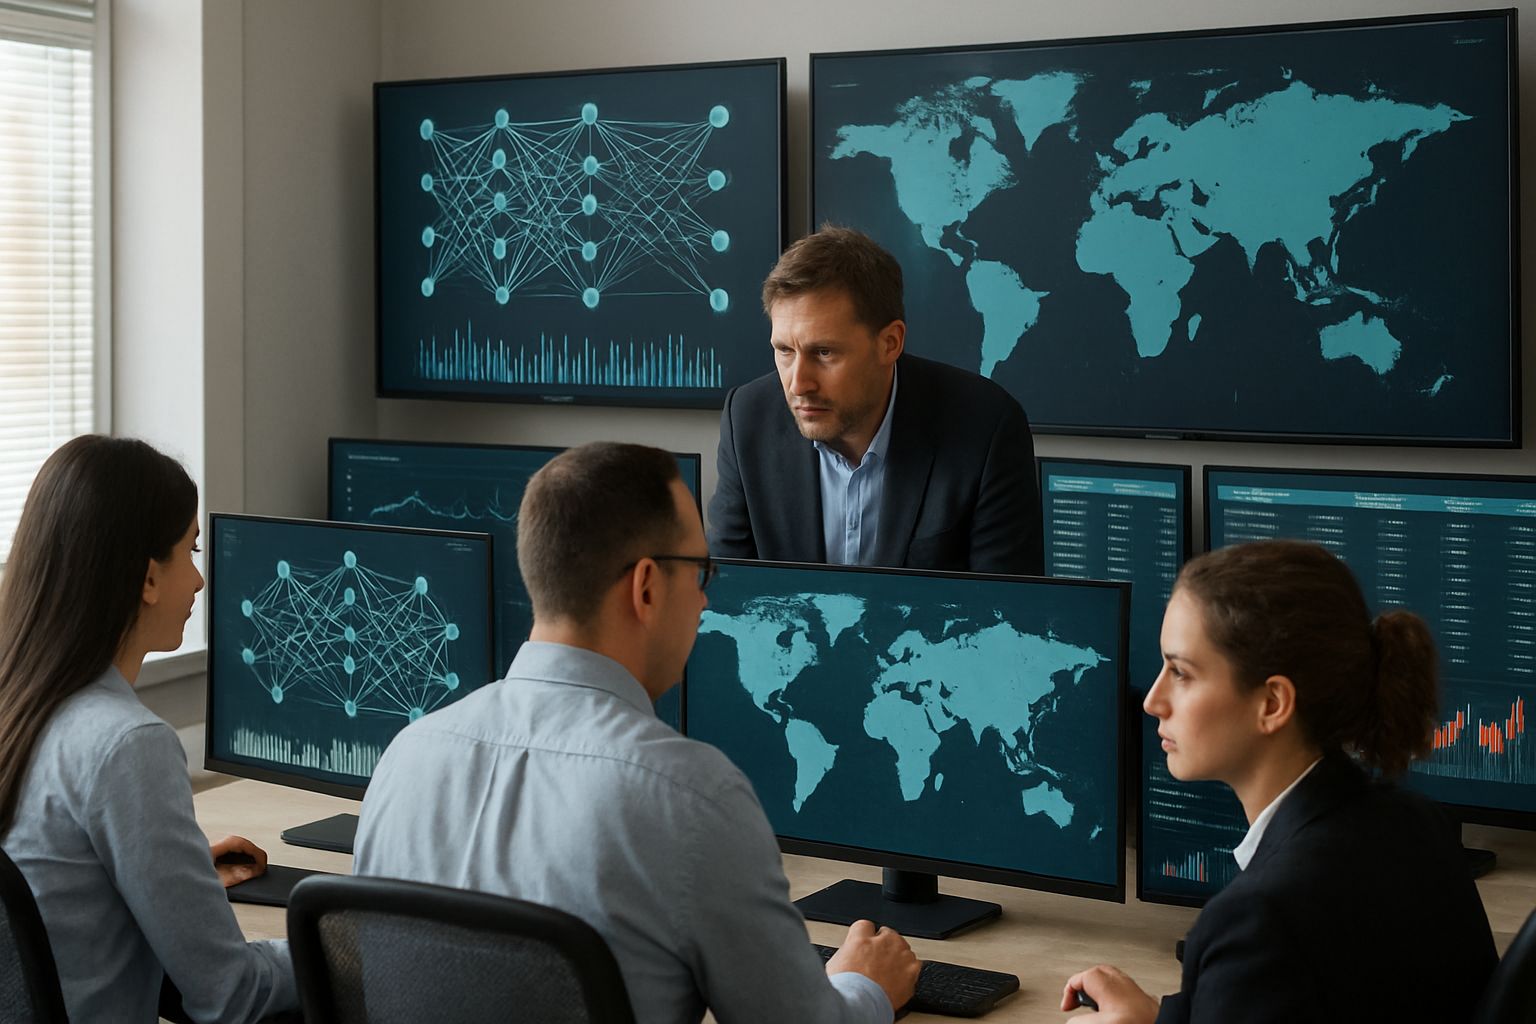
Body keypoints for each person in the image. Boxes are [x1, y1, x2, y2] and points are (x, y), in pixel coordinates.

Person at [354, 441, 919, 1023]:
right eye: (702, 572)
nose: (704, 601)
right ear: (646, 586)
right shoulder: (691, 795)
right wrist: (864, 985)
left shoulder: (408, 754)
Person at [1062, 539, 1497, 1023]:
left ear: (1272, 704)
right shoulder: (1419, 825)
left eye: (1181, 672)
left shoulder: (1259, 920)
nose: (1153, 700)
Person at [0, 435, 297, 1023]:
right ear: (147, 578)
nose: (200, 582)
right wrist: (345, 938)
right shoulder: (127, 745)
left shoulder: (20, 706)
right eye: (191, 552)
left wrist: (172, 876)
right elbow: (230, 995)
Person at [708, 225, 1042, 574]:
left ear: (890, 343)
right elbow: (729, 600)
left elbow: (1004, 616)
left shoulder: (986, 428)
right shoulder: (746, 419)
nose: (798, 384)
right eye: (784, 351)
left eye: (824, 352)